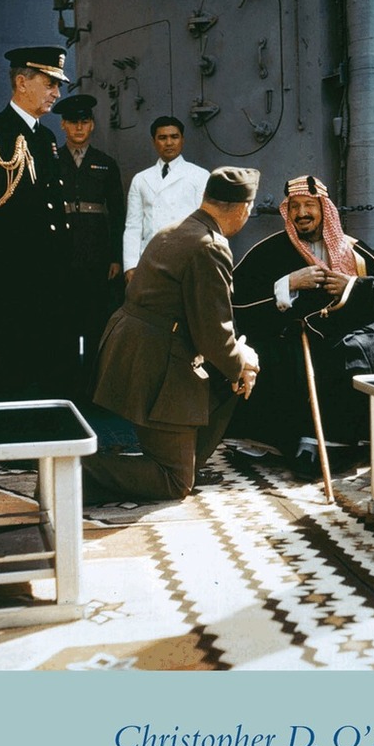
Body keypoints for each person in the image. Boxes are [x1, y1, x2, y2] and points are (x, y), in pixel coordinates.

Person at [84, 166, 261, 505]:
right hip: (155, 361)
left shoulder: (174, 229)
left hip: (135, 348)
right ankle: (75, 474)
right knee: (174, 482)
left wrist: (236, 364)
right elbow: (214, 334)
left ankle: (184, 463)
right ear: (243, 209)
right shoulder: (210, 246)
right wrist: (244, 363)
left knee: (230, 379)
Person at [229, 174, 374, 477]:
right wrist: (288, 284)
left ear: (324, 209)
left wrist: (352, 286)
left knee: (354, 350)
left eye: (309, 205)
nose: (302, 213)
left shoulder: (353, 251)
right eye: (295, 207)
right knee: (269, 352)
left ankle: (336, 442)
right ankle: (281, 439)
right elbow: (240, 302)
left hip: (344, 334)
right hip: (294, 334)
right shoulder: (270, 250)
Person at [0, 46, 74, 399]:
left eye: (58, 85)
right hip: (11, 277)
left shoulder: (46, 138)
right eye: (50, 83)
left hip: (50, 277)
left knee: (52, 372)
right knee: (13, 376)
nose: (56, 93)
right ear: (22, 82)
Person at [52, 93, 126, 387]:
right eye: (73, 122)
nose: (79, 127)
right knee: (65, 322)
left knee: (96, 321)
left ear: (92, 125)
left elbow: (118, 215)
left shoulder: (105, 164)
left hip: (97, 256)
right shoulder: (51, 161)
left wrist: (116, 257)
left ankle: (96, 385)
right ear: (63, 125)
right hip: (61, 255)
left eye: (84, 121)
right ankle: (68, 385)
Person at [122, 115, 209, 281]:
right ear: (154, 141)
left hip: (188, 258)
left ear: (182, 140)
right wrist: (131, 265)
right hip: (150, 258)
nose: (169, 143)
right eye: (162, 138)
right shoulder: (141, 179)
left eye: (174, 137)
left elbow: (206, 224)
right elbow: (133, 226)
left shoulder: (200, 176)